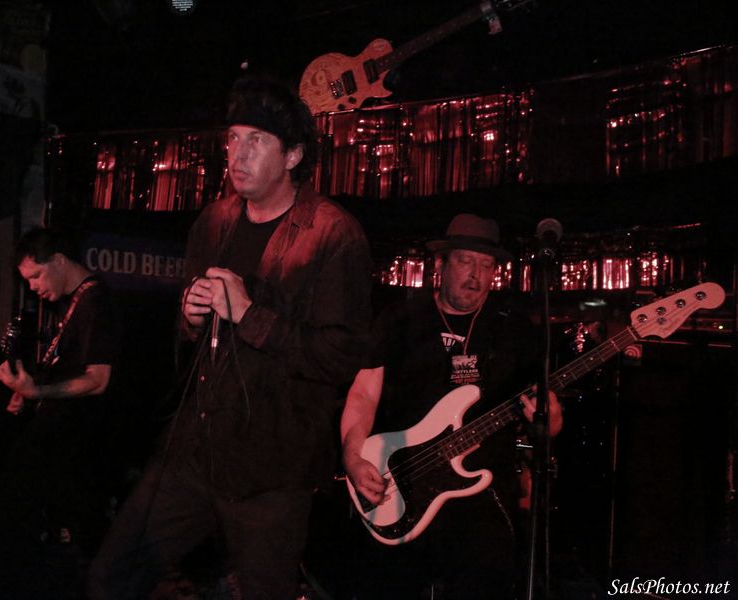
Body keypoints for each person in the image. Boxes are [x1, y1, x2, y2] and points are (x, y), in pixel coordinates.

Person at [88, 76, 372, 600]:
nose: (239, 154)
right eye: (234, 139)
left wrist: (249, 315)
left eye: (257, 141)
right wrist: (191, 316)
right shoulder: (214, 220)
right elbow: (190, 335)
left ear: (292, 156)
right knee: (112, 574)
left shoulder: (333, 233)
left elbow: (340, 356)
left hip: (272, 471)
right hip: (197, 449)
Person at [340, 213, 563, 599]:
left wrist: (550, 421)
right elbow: (363, 395)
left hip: (482, 497)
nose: (476, 275)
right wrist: (352, 456)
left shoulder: (513, 330)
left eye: (486, 265)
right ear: (441, 264)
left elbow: (546, 421)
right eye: (465, 261)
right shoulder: (400, 319)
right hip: (401, 482)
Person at [0, 227, 123, 598]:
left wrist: (37, 391)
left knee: (29, 505)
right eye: (27, 280)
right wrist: (28, 393)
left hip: (75, 437)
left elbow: (98, 379)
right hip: (60, 432)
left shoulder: (97, 302)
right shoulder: (72, 302)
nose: (33, 287)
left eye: (36, 276)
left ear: (60, 261)